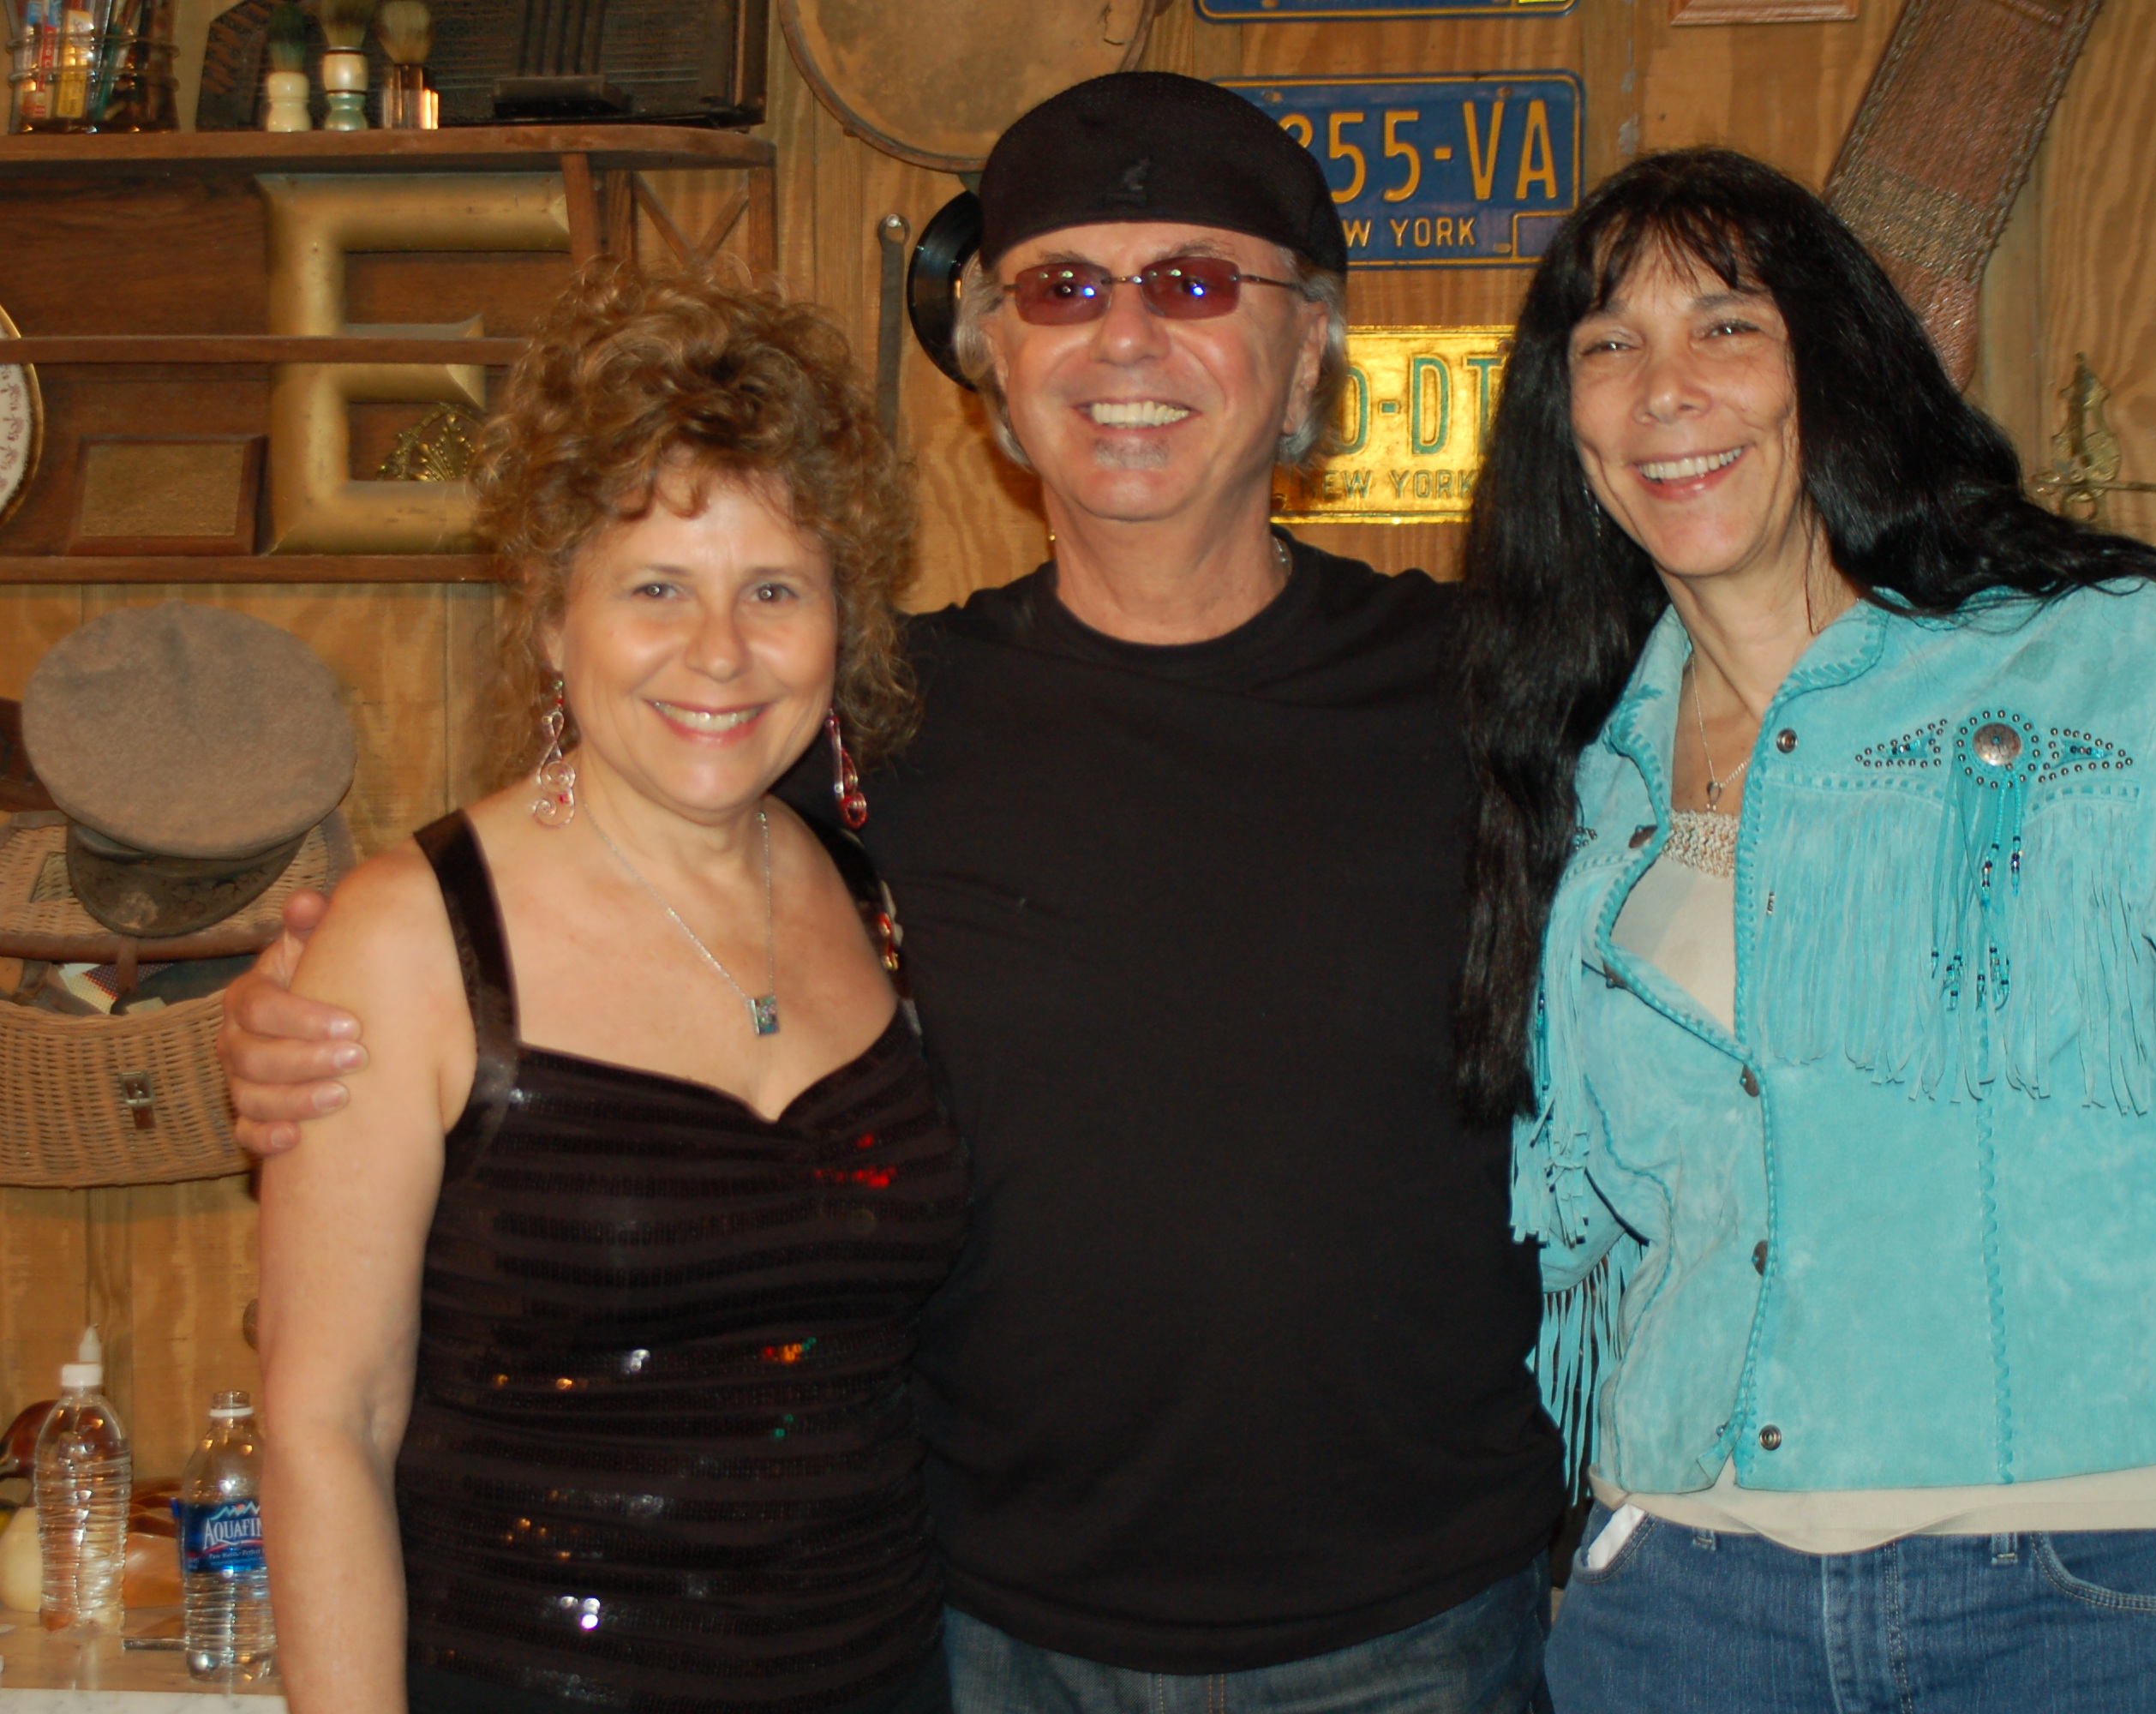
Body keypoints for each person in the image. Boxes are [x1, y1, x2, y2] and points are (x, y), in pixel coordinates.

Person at [227, 74, 1566, 1712]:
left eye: (1198, 281)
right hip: (981, 1634)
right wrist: (314, 1006)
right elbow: (564, 879)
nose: (1126, 339)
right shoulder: (862, 743)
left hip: (1413, 1632)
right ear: (995, 364)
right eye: (1063, 288)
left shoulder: (1494, 703)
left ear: (1310, 351)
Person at [1451, 148, 2156, 1714]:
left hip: (2101, 1595)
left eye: (1725, 327)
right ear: (1565, 433)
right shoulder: (1580, 770)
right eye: (1608, 347)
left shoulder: (2123, 673)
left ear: (1832, 368)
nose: (1663, 390)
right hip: (1688, 1606)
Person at [255, 262, 966, 1714]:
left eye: (775, 588)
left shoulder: (872, 897)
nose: (720, 651)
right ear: (552, 619)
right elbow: (326, 1422)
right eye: (656, 587)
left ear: (842, 622)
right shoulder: (409, 939)